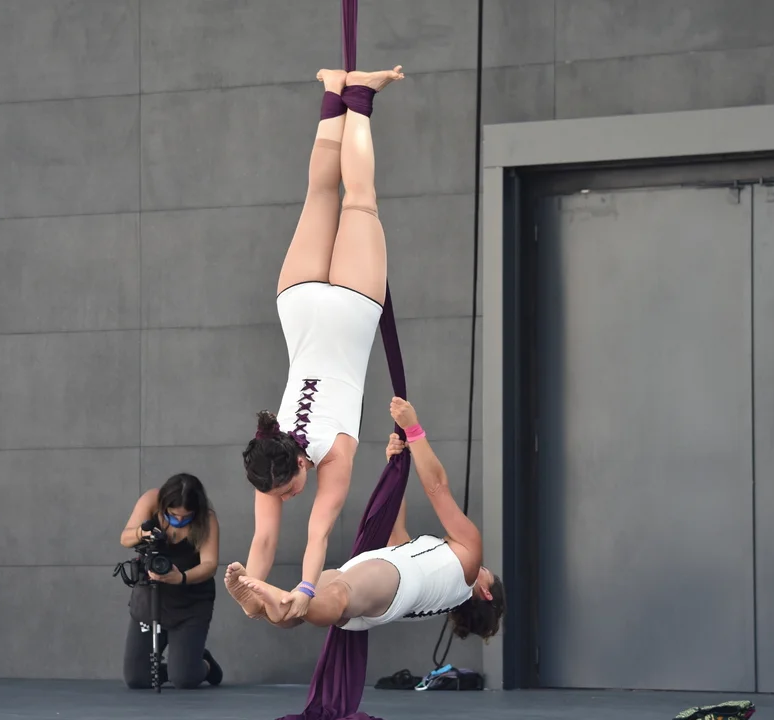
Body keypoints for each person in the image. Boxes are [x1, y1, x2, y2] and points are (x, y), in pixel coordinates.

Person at [237, 65, 406, 622]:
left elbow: (319, 533)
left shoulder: (332, 453)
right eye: (286, 494)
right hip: (299, 303)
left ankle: (360, 96)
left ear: (293, 464)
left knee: (359, 198)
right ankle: (333, 89)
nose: (289, 497)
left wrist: (305, 593)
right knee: (320, 193)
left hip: (351, 308)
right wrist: (252, 587)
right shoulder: (268, 457)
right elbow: (264, 543)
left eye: (288, 491)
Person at [228, 398, 506, 641]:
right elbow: (395, 535)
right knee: (311, 598)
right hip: (382, 588)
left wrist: (414, 430)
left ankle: (275, 606)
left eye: (486, 571)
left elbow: (437, 488)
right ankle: (266, 608)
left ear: (486, 592)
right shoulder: (446, 596)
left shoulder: (469, 562)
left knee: (333, 593)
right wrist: (395, 469)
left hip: (393, 579)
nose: (482, 567)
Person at [119, 473, 223, 689]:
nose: (179, 520)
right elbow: (125, 539)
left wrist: (180, 577)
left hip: (190, 602)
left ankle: (202, 664)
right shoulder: (151, 500)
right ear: (164, 504)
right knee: (137, 678)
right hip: (150, 598)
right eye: (173, 515)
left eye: (186, 516)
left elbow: (209, 565)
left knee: (185, 679)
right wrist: (141, 532)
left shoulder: (206, 519)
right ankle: (180, 663)